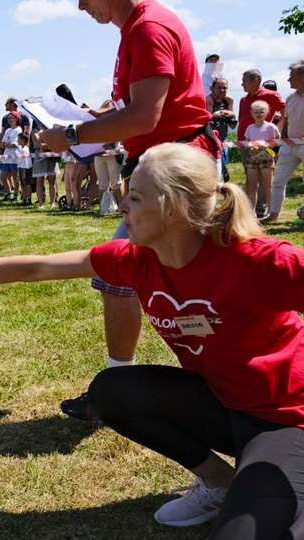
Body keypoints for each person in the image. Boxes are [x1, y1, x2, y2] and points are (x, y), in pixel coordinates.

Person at [0, 143, 304, 540]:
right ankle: (221, 484)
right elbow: (38, 268)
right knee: (112, 391)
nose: (122, 202)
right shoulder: (138, 260)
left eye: (137, 197)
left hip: (285, 420)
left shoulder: (258, 262)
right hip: (221, 403)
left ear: (174, 209)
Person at [40, 0, 219, 419]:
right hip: (167, 166)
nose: (80, 5)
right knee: (192, 283)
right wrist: (99, 117)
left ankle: (122, 393)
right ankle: (204, 380)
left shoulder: (147, 28)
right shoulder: (136, 28)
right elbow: (140, 108)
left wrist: (71, 133)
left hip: (174, 169)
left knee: (124, 277)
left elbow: (144, 117)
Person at [238, 69, 285, 218]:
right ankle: (251, 210)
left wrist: (276, 128)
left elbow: (285, 110)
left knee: (266, 180)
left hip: (265, 148)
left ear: (255, 81)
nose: (241, 84)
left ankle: (262, 209)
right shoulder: (244, 99)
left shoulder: (270, 95)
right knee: (250, 178)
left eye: (244, 81)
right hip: (245, 144)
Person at [272, 60, 304, 223]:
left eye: (291, 76)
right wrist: (283, 142)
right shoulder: (290, 98)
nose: (288, 80)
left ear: (302, 77)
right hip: (289, 146)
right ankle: (273, 215)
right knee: (277, 181)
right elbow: (287, 121)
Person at [243, 101, 281, 213]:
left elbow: (278, 140)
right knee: (252, 187)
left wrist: (267, 145)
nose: (259, 114)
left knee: (269, 187)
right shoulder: (249, 128)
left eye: (261, 112)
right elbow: (247, 143)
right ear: (252, 113)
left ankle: (271, 211)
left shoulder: (271, 126)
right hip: (252, 159)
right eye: (256, 112)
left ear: (266, 113)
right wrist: (251, 147)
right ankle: (251, 213)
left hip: (266, 159)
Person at [206, 77, 237, 182]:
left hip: (223, 136)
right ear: (213, 88)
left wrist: (228, 113)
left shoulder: (228, 101)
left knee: (223, 158)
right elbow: (207, 117)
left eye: (225, 88)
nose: (222, 90)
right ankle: (221, 177)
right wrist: (215, 114)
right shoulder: (209, 100)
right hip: (211, 137)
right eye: (219, 88)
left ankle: (223, 178)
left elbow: (233, 122)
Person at [0, 112, 22, 201]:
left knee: (15, 176)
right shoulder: (8, 130)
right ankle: (8, 193)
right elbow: (3, 143)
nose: (10, 120)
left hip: (14, 156)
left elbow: (14, 144)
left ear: (16, 119)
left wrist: (8, 145)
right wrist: (6, 145)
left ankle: (16, 194)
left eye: (12, 118)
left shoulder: (18, 129)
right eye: (9, 118)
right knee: (3, 176)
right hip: (6, 156)